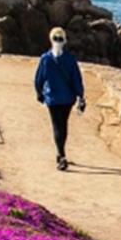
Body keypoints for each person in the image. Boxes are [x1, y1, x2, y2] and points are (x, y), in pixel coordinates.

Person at [33, 27, 85, 171]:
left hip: (53, 98)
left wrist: (39, 93)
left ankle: (61, 155)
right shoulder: (70, 59)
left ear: (51, 40)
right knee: (63, 125)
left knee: (57, 126)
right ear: (65, 41)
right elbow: (77, 79)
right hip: (67, 98)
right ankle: (61, 153)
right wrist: (81, 96)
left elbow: (39, 78)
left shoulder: (46, 58)